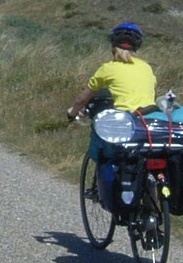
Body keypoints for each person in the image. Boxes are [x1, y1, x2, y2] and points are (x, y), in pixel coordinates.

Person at [67, 22, 157, 162]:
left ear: (113, 46)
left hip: (125, 121)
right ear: (137, 47)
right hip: (149, 119)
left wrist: (72, 114)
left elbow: (82, 99)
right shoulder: (147, 68)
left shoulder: (108, 68)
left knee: (103, 146)